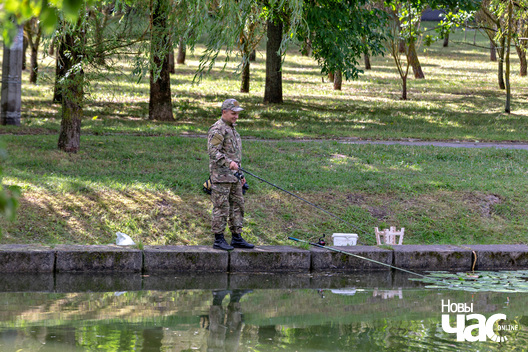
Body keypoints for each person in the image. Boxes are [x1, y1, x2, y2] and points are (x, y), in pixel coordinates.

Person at [208, 99, 255, 251]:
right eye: (233, 113)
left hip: (234, 176)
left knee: (238, 206)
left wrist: (240, 174)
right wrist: (228, 163)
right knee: (221, 207)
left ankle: (237, 237)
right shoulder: (218, 129)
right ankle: (219, 239)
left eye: (237, 114)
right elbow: (213, 151)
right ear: (224, 112)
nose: (236, 117)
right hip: (221, 177)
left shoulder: (232, 129)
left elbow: (234, 155)